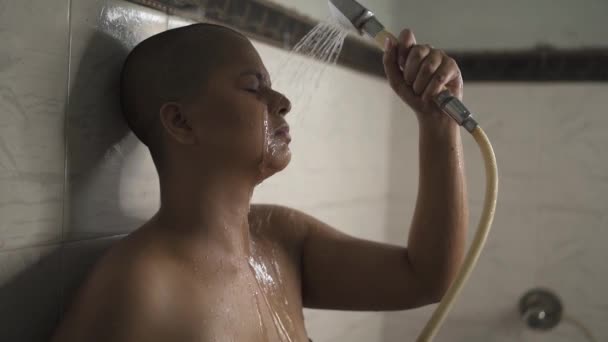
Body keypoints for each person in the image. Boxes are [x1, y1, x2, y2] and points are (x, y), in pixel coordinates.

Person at [51, 23, 467, 342]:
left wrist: (437, 124)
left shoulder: (282, 240)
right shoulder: (140, 285)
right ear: (180, 121)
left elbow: (426, 278)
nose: (282, 101)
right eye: (254, 87)